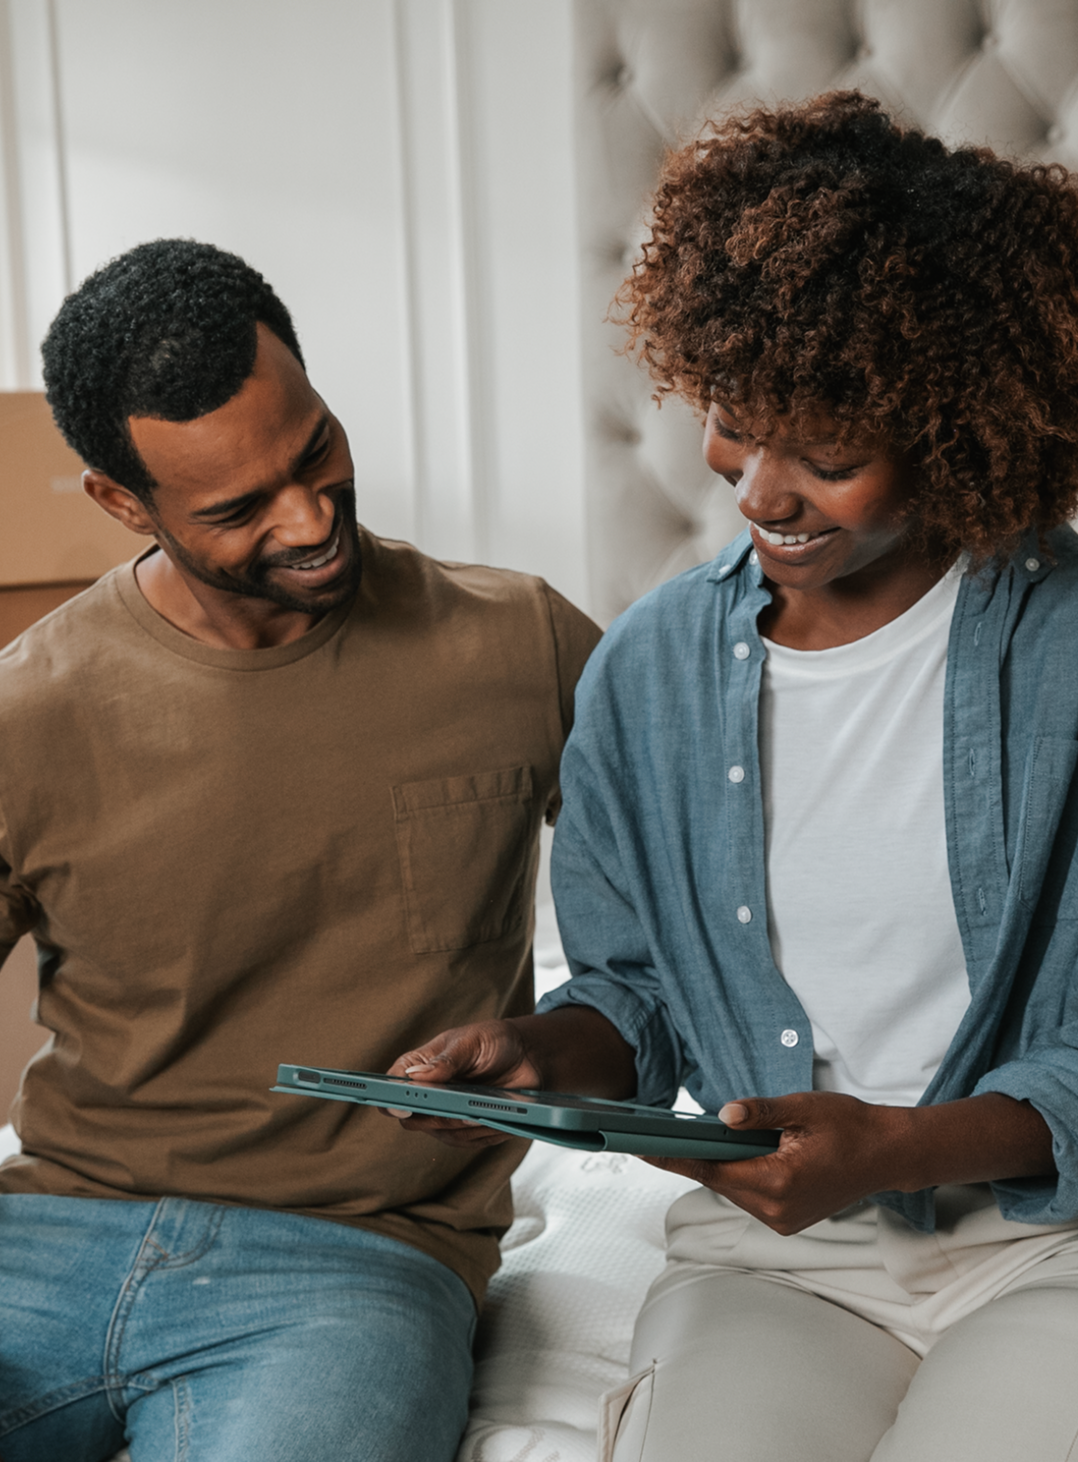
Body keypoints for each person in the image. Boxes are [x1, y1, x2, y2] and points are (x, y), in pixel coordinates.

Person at [381, 92, 1078, 1461]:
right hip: (778, 1261)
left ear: (953, 430)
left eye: (826, 455)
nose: (759, 493)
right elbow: (633, 988)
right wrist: (538, 1054)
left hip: (1042, 1243)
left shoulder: (1061, 651)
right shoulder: (649, 668)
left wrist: (894, 1148)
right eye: (731, 423)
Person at [0, 239, 600, 1462]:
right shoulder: (28, 709)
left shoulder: (518, 645)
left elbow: (694, 920)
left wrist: (554, 1049)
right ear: (125, 504)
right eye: (235, 508)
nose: (312, 517)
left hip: (356, 1261)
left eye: (315, 450)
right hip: (45, 1235)